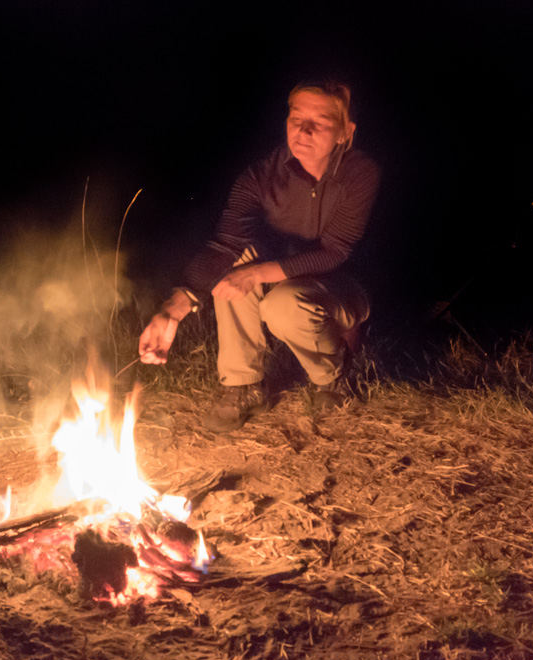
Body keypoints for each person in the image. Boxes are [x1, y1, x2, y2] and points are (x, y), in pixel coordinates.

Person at [139, 81, 381, 432]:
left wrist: (257, 274)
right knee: (236, 263)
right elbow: (225, 244)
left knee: (282, 303)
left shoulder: (361, 173)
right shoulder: (260, 177)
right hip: (280, 280)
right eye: (296, 117)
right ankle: (242, 385)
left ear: (345, 132)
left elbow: (335, 252)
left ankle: (331, 380)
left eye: (321, 122)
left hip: (341, 287)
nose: (304, 130)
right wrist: (172, 311)